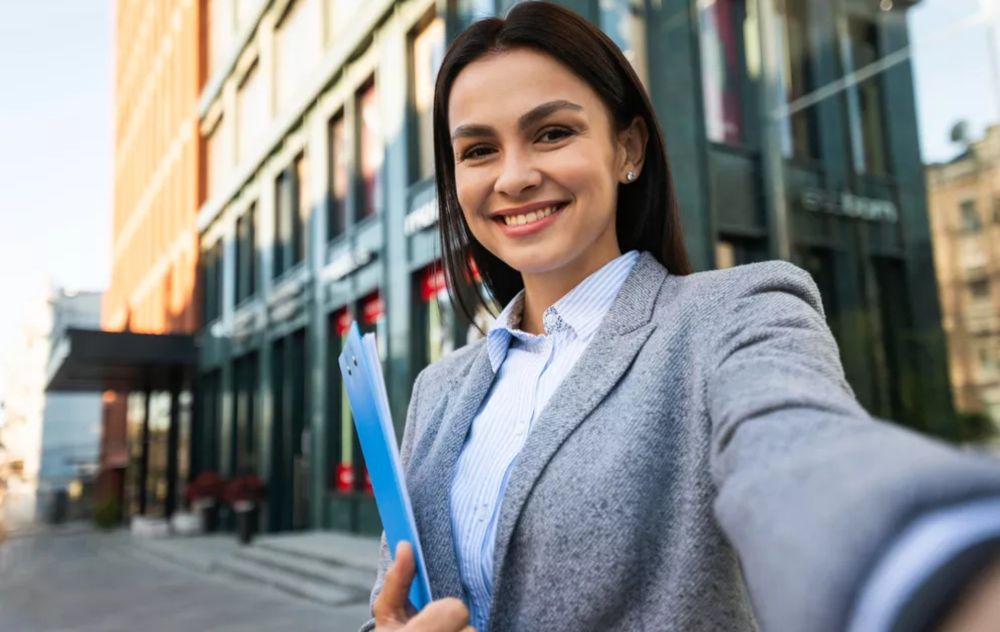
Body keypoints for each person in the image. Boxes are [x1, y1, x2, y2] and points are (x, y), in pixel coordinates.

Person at [361, 2, 1000, 631]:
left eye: (552, 133)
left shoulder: (733, 317)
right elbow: (397, 597)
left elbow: (798, 450)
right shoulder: (436, 392)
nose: (515, 176)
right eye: (477, 150)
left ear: (628, 148)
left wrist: (933, 560)